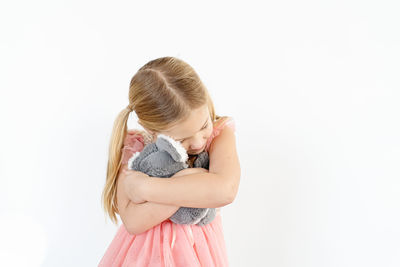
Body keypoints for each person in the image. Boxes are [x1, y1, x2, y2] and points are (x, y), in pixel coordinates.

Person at [99, 56, 241, 266]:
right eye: (181, 139)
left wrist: (146, 188)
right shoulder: (136, 149)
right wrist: (193, 183)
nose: (198, 142)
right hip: (143, 259)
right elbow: (134, 222)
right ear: (151, 130)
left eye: (203, 126)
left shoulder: (219, 136)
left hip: (198, 257)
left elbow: (225, 191)